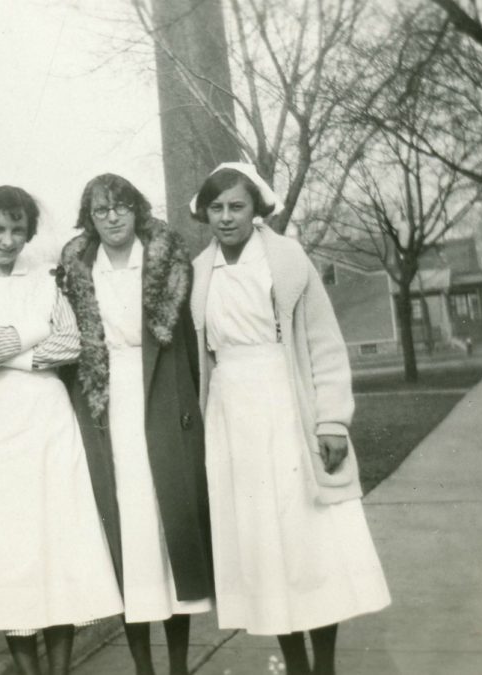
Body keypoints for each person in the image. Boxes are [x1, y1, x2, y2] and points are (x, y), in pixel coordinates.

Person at [188, 162, 391, 675]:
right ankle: (295, 664)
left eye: (237, 206)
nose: (226, 217)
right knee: (263, 546)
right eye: (217, 208)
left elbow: (324, 342)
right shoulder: (199, 271)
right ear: (205, 213)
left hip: (286, 406)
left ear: (256, 209)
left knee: (307, 541)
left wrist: (332, 421)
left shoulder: (286, 260)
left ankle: (324, 665)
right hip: (231, 417)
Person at [0, 183, 123, 675]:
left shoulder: (47, 278)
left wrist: (5, 349)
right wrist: (34, 333)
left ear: (28, 232)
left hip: (49, 420)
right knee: (10, 551)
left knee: (57, 544)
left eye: (17, 230)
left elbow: (72, 343)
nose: (7, 241)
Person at [58, 174, 213, 675]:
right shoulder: (77, 269)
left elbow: (188, 345)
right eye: (101, 210)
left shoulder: (166, 261)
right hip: (105, 404)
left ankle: (178, 665)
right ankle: (143, 666)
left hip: (161, 397)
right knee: (126, 532)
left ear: (137, 209)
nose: (112, 218)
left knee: (169, 532)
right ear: (89, 218)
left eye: (121, 207)